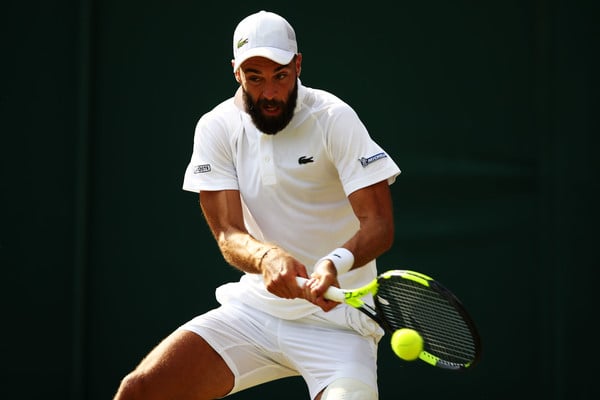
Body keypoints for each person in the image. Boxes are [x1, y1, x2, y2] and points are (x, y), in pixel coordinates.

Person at [113, 10, 400, 400]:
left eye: (280, 76)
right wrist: (266, 258)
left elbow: (379, 224)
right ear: (236, 73)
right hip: (256, 312)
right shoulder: (216, 127)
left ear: (298, 66)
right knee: (141, 390)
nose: (269, 93)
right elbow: (229, 233)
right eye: (255, 77)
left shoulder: (334, 118)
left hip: (340, 323)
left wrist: (335, 262)